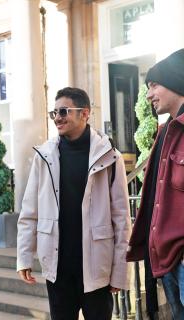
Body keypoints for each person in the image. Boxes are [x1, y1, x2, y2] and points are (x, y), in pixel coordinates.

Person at [17, 87, 131, 320]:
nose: (57, 117)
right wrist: (24, 256)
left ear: (85, 113)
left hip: (96, 268)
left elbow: (121, 218)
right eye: (54, 113)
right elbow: (30, 211)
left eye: (64, 111)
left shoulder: (110, 157)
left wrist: (120, 271)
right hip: (58, 269)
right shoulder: (44, 156)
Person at [126, 48, 184, 319]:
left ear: (176, 81)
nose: (148, 94)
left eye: (154, 85)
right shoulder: (165, 133)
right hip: (167, 262)